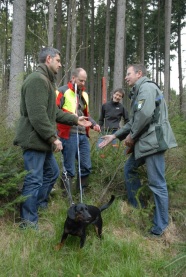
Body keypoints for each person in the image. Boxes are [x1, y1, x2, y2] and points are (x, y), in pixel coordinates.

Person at [13, 47, 91, 230]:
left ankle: (37, 207)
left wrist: (75, 119)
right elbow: (38, 115)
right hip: (34, 141)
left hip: (42, 142)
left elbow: (53, 112)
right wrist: (52, 138)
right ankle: (28, 222)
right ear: (48, 59)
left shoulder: (46, 81)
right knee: (33, 180)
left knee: (52, 173)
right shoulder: (36, 80)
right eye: (58, 60)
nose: (60, 64)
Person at [99, 64, 177, 236]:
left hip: (153, 143)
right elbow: (133, 121)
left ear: (139, 74)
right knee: (129, 169)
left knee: (157, 184)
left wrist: (132, 137)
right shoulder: (138, 91)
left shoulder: (147, 87)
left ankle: (160, 227)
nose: (126, 77)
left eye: (128, 74)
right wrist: (114, 136)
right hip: (145, 144)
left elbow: (145, 115)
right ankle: (138, 208)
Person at [56, 68, 100, 193]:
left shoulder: (84, 95)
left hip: (82, 135)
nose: (83, 83)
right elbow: (54, 111)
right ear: (73, 78)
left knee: (86, 166)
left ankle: (82, 194)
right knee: (69, 168)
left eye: (84, 81)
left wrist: (94, 124)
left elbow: (86, 114)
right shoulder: (62, 91)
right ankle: (66, 197)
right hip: (68, 134)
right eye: (81, 80)